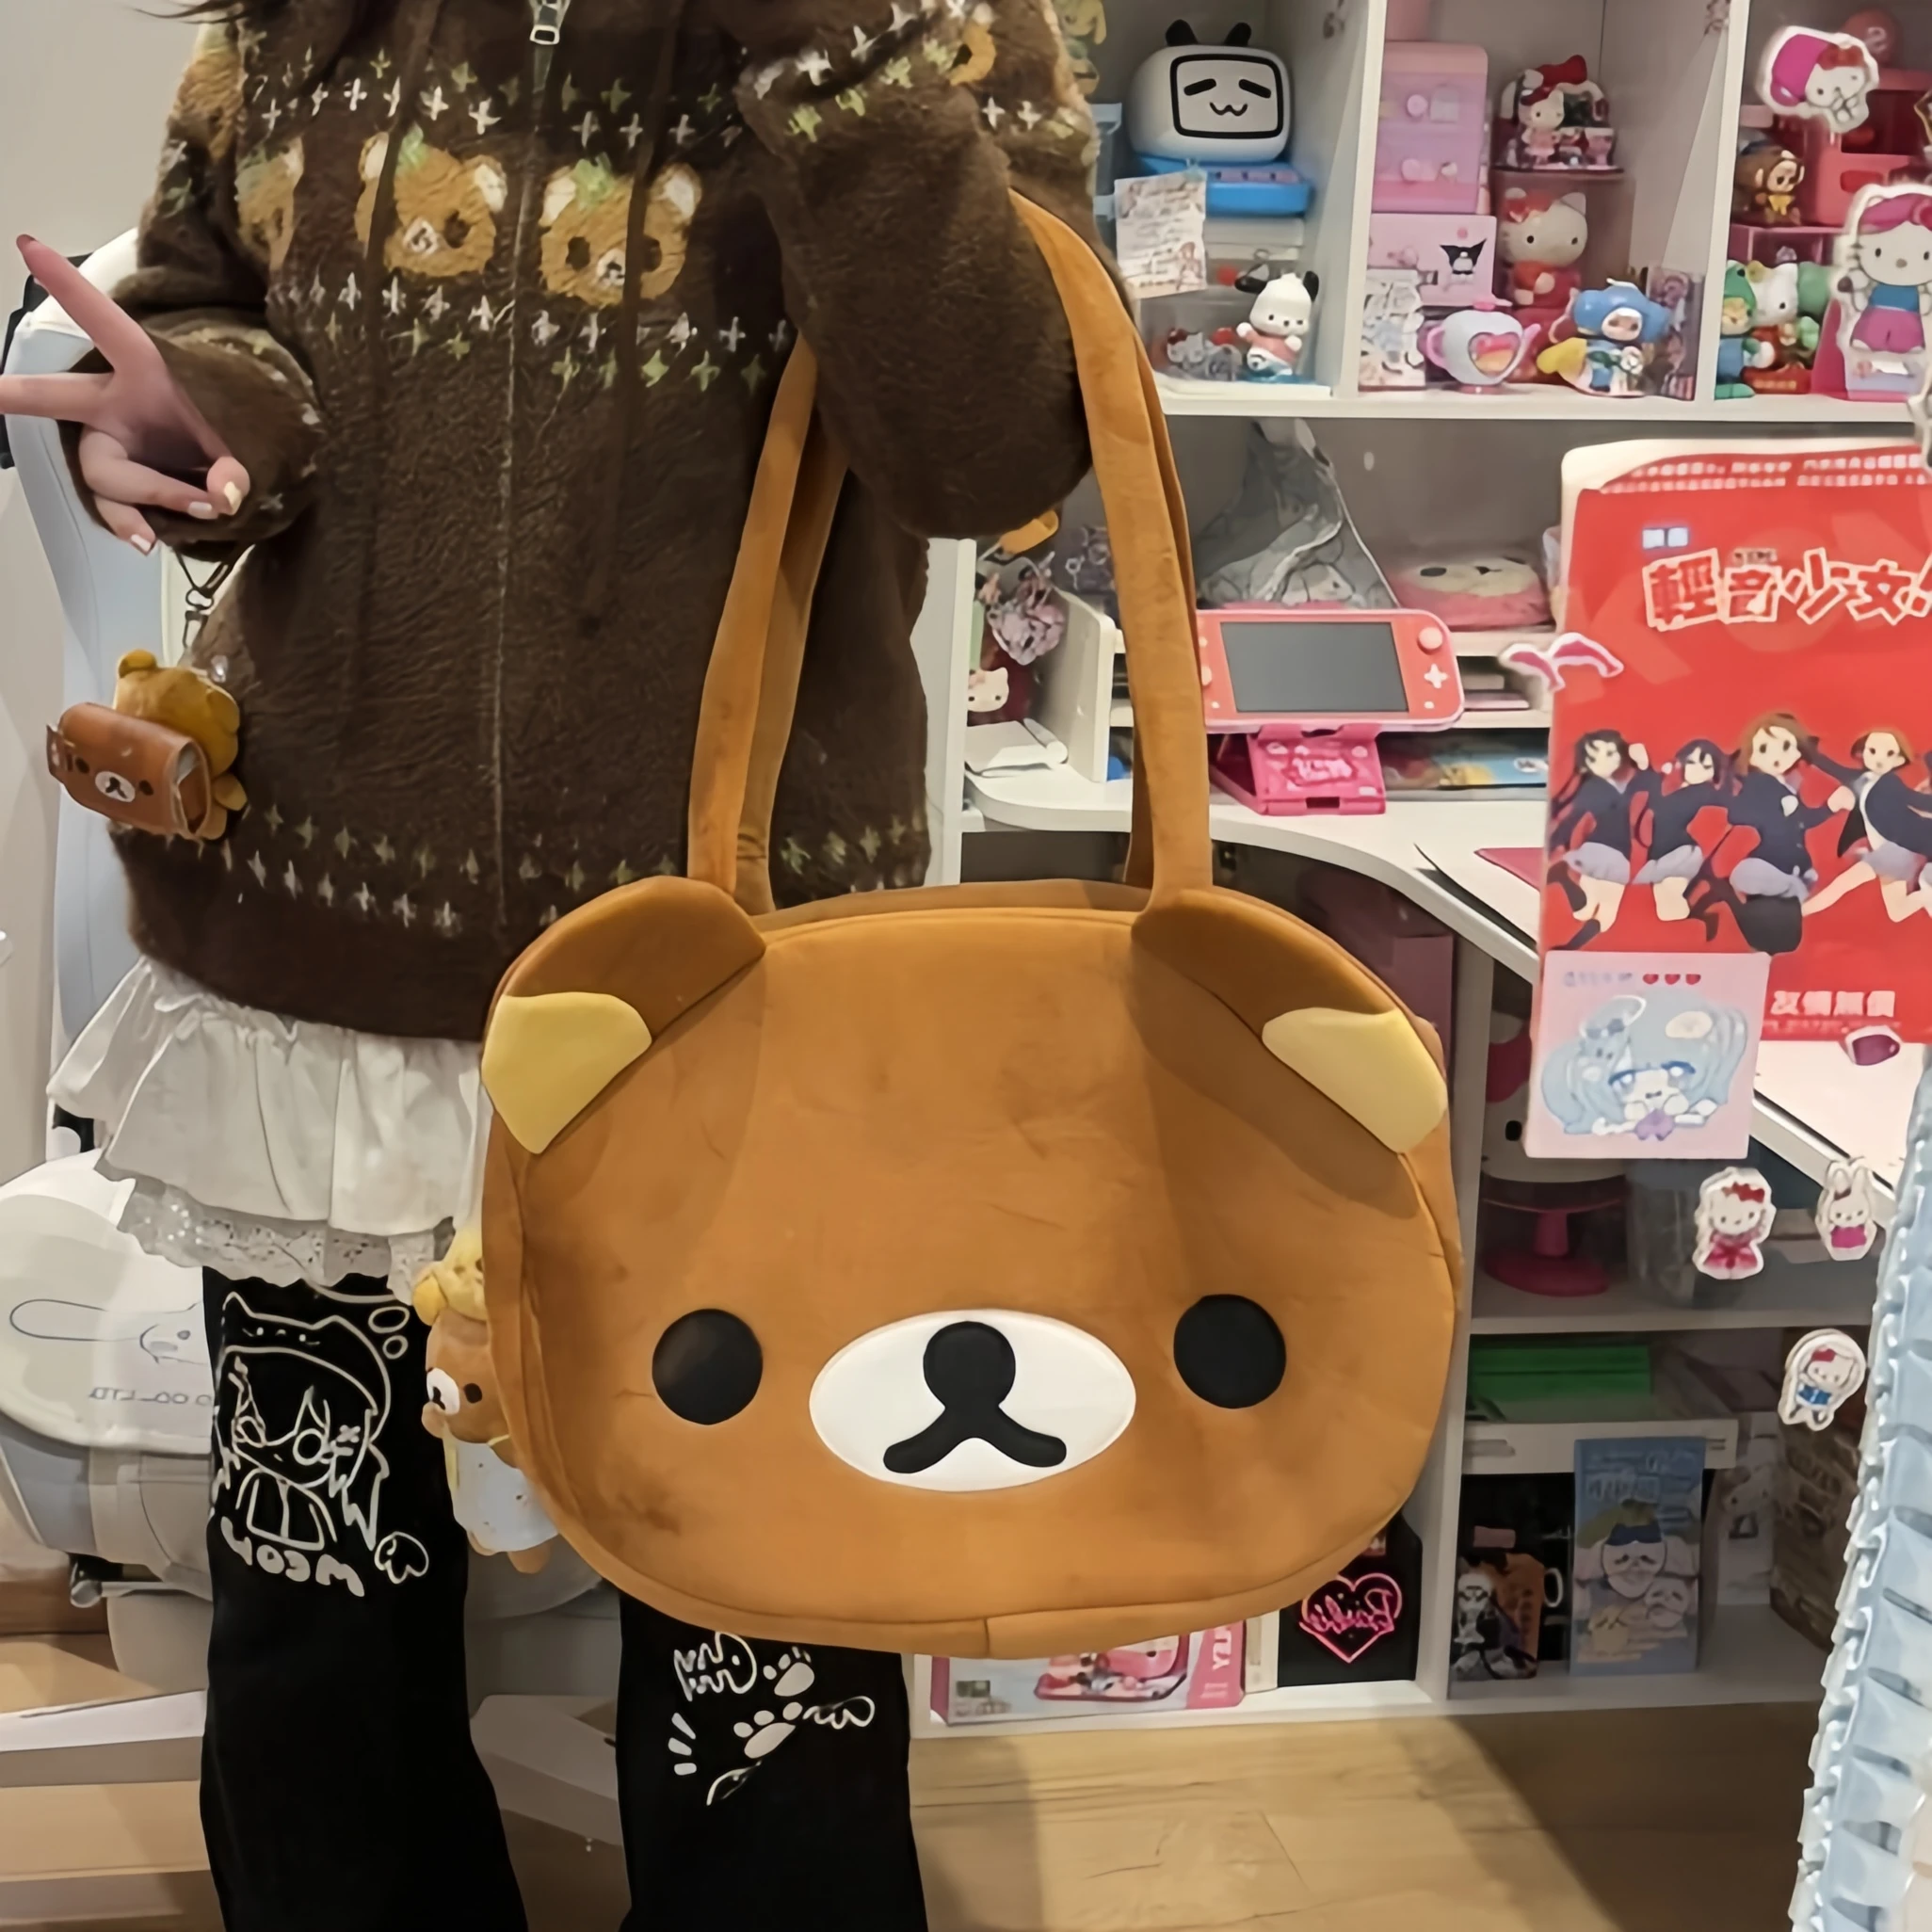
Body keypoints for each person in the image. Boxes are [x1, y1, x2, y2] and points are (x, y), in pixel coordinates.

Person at [0, 0, 1101, 1924]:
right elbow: (213, 307)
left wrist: (829, 43)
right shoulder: (296, 22)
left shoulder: (943, 26)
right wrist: (197, 416)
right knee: (324, 1640)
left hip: (739, 996)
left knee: (766, 1646)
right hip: (322, 990)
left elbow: (994, 446)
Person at [1801, 728, 1932, 922]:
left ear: (1898, 760)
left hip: (1898, 849)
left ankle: (1798, 912)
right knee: (1897, 913)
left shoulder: (1891, 783)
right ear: (1862, 753)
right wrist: (1810, 752)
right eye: (1873, 751)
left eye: (1889, 753)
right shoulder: (1860, 779)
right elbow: (1833, 768)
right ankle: (1927, 894)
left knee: (1842, 884)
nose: (1879, 758)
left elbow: (1914, 799)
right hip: (1891, 849)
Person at [1547, 728, 1648, 947]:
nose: (1611, 759)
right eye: (1602, 755)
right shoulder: (1596, 789)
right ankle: (1565, 881)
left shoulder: (1608, 787)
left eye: (1612, 753)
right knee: (1604, 916)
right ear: (1585, 764)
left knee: (1591, 912)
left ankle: (1571, 946)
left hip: (1601, 852)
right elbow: (1575, 817)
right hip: (1610, 853)